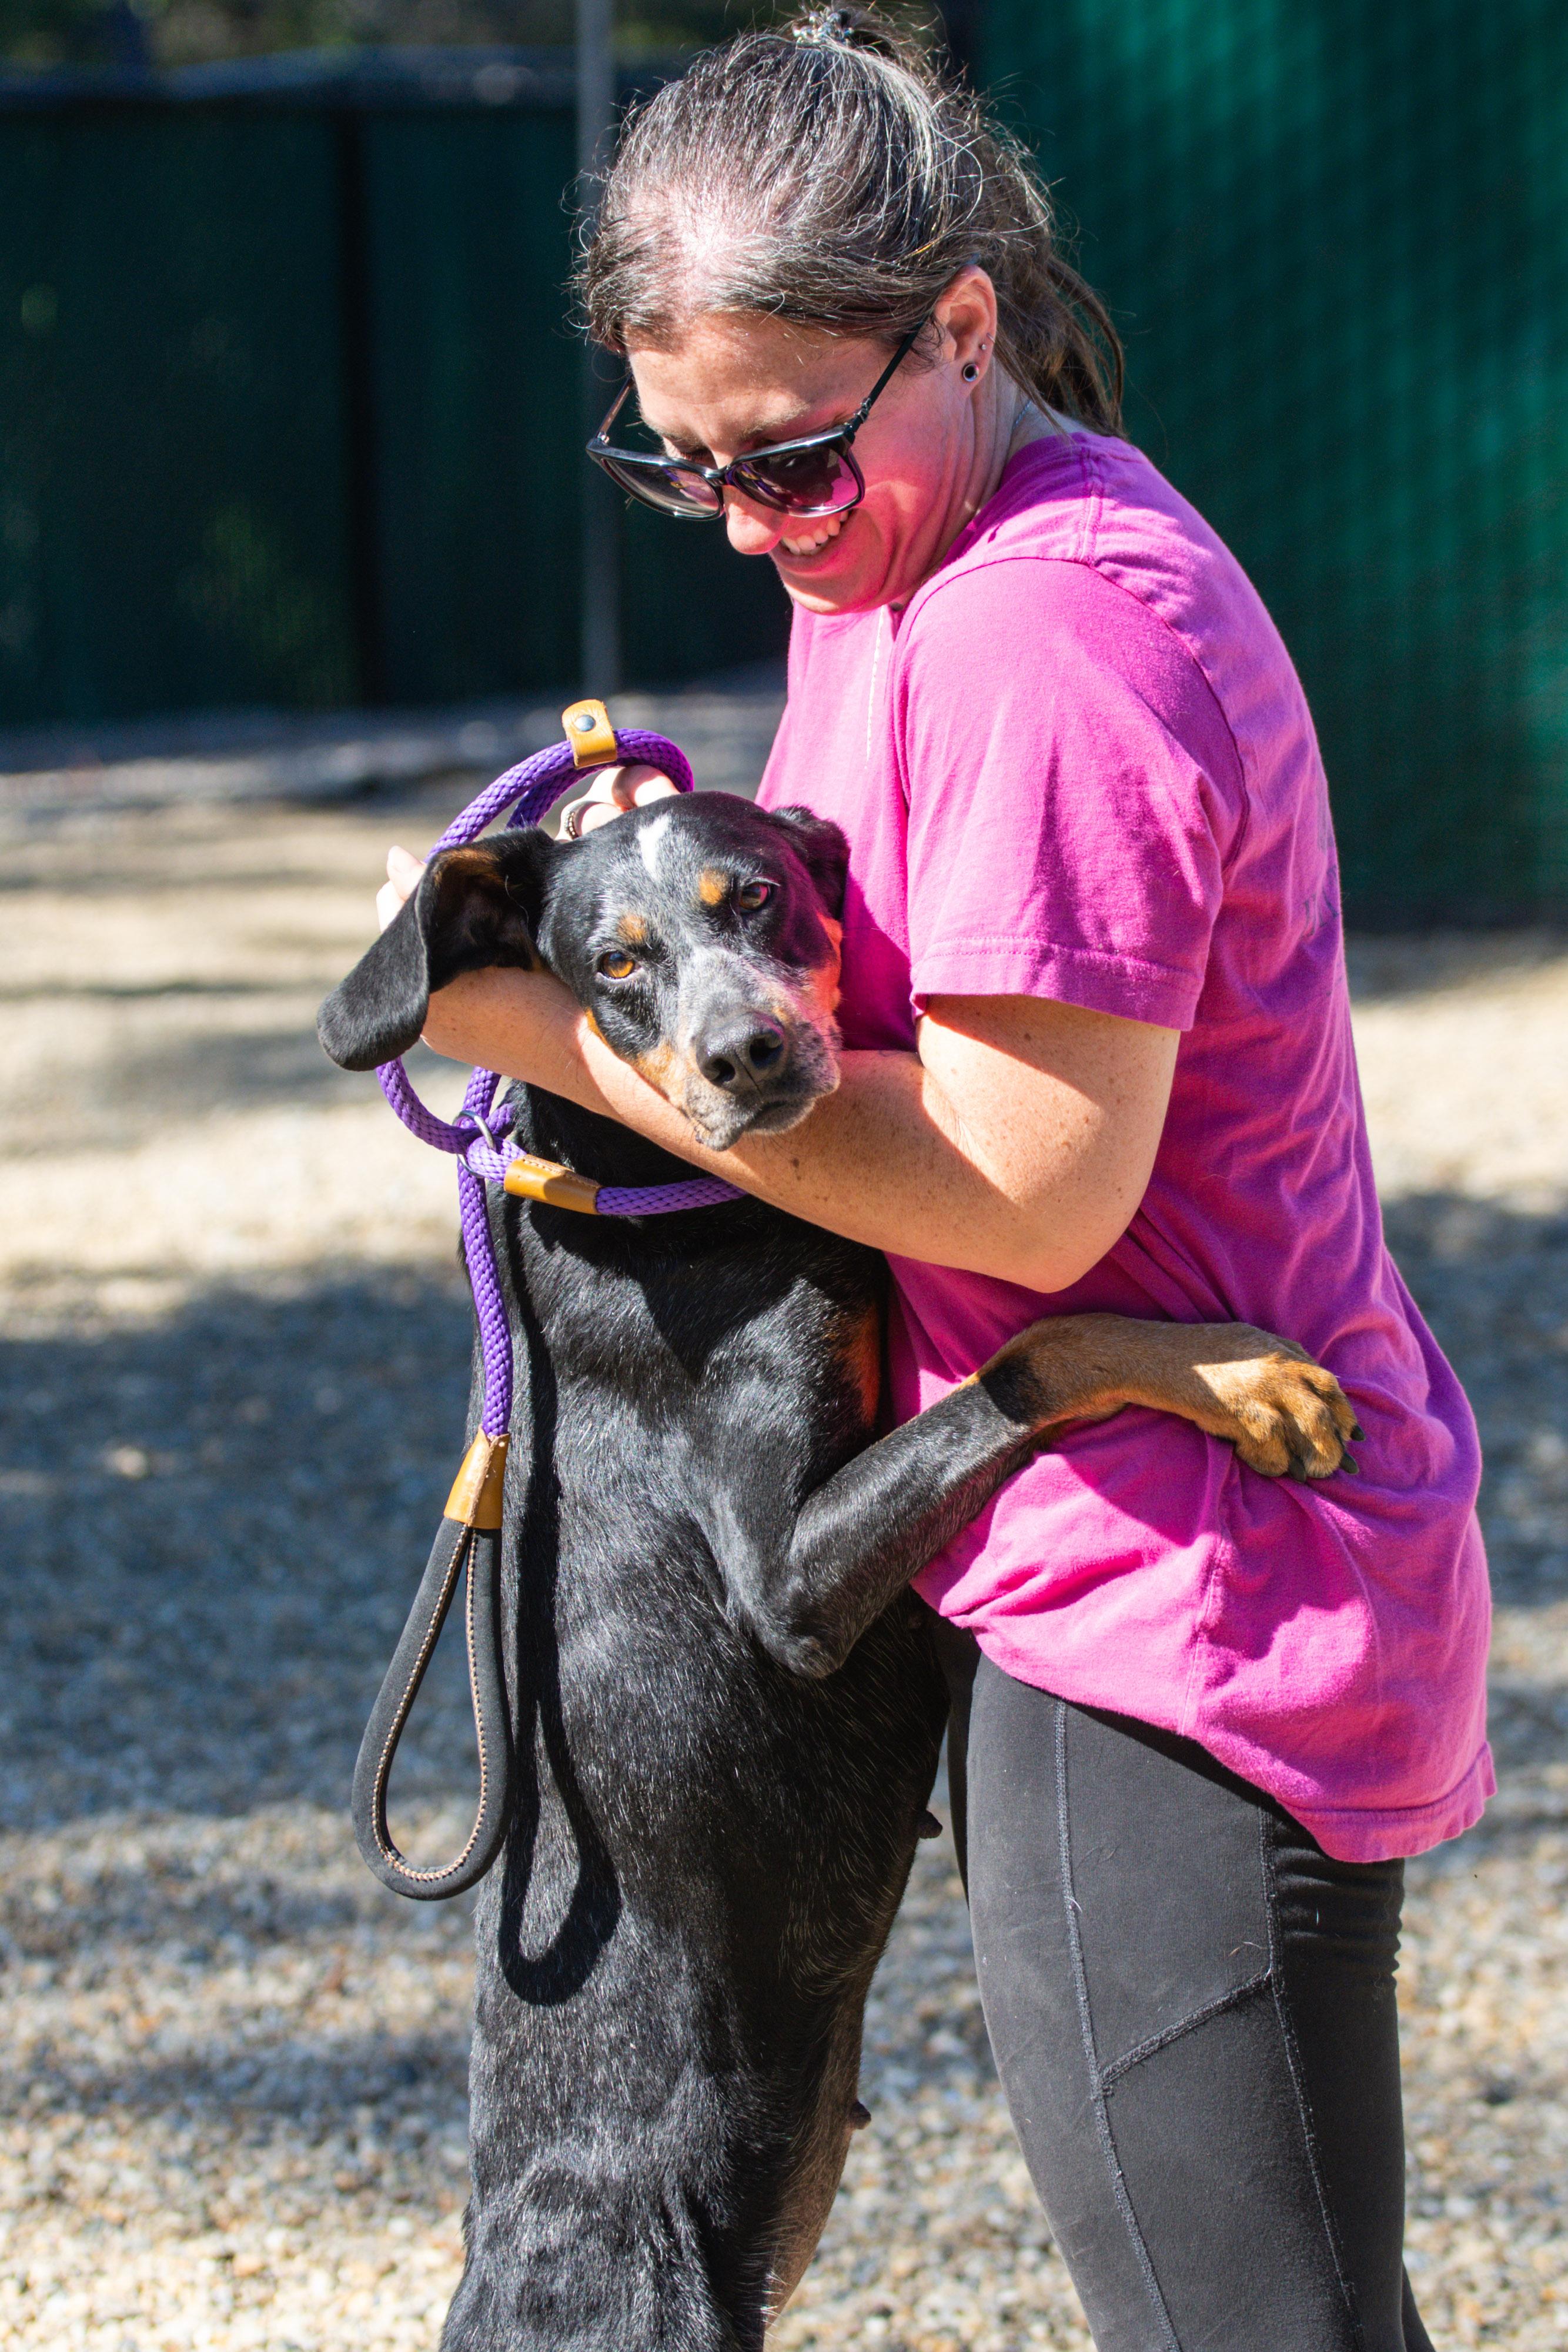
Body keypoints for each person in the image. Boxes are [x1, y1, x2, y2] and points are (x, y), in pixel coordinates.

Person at [377, 12, 1490, 2346]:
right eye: (686, 474)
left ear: (959, 324)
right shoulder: (901, 562)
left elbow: (1023, 1193)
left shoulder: (1038, 632)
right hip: (1106, 1550)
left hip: (1178, 1592)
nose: (757, 525)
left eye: (788, 459)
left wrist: (530, 1024)